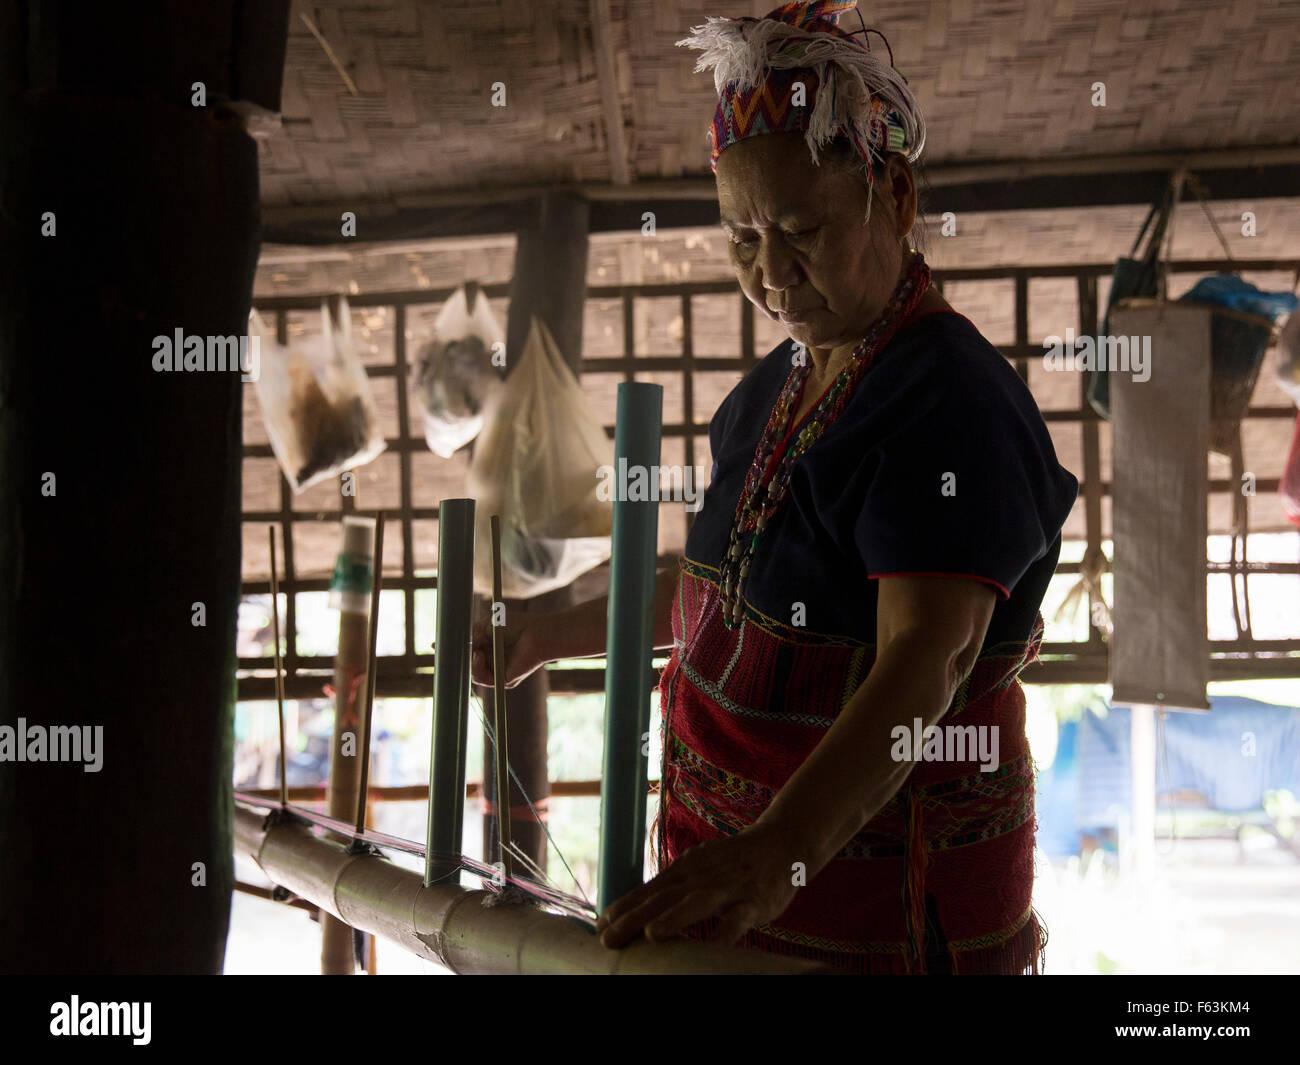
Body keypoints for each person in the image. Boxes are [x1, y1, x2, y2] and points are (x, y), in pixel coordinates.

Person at [468, 0, 1079, 974]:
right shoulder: (776, 389)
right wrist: (543, 633)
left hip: (871, 923)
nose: (771, 274)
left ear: (898, 196)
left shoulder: (947, 400)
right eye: (741, 239)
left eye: (800, 228)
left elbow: (931, 656)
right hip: (735, 894)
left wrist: (773, 860)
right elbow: (720, 598)